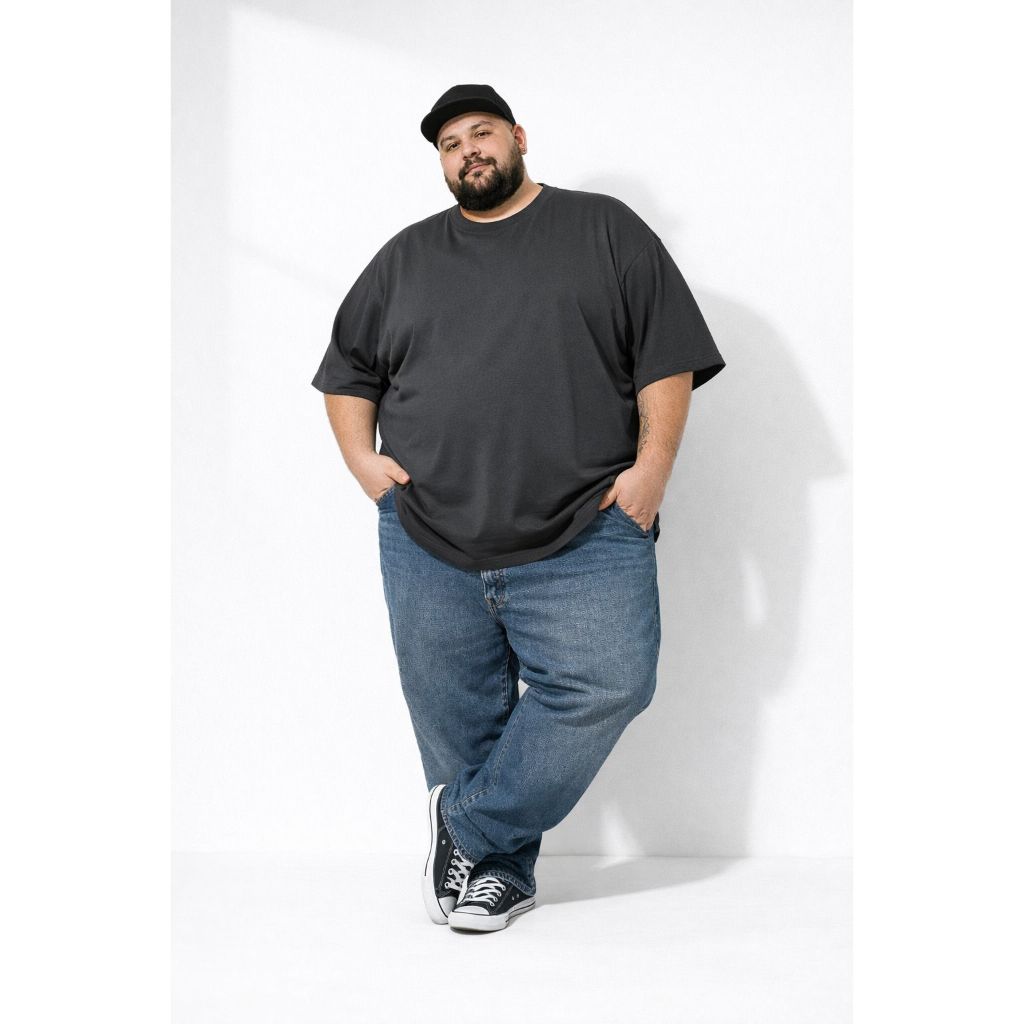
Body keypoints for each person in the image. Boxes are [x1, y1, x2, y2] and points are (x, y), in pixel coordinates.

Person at [311, 84, 725, 932]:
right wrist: (361, 461)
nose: (468, 149)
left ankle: (462, 826)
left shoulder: (604, 229)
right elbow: (349, 368)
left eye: (482, 132)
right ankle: (500, 874)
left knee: (610, 681)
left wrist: (652, 470)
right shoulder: (406, 258)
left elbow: (667, 355)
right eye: (450, 143)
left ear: (518, 137)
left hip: (586, 526)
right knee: (458, 721)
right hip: (428, 530)